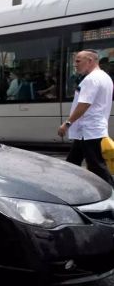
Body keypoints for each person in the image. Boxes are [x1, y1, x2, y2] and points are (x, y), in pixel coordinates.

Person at [58, 49, 114, 186]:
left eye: (78, 61)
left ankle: (111, 192)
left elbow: (83, 105)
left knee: (96, 166)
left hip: (89, 130)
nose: (75, 65)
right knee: (72, 163)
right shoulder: (104, 77)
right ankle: (67, 187)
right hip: (88, 131)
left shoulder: (91, 79)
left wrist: (67, 123)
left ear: (90, 61)